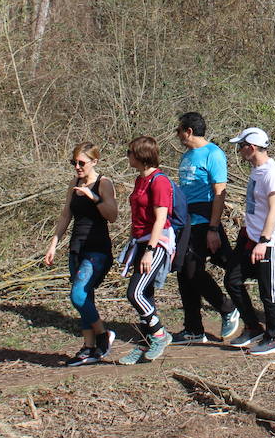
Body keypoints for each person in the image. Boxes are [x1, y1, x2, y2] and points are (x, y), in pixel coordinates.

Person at [44, 142, 118, 366]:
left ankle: (104, 335)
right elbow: (66, 214)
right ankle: (88, 347)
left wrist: (93, 197)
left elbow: (113, 215)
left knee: (78, 295)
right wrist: (54, 243)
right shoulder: (74, 183)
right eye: (73, 162)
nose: (77, 167)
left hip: (97, 249)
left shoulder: (104, 183)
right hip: (77, 247)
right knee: (86, 298)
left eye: (81, 163)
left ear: (94, 162)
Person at [173, 113, 241, 344]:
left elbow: (220, 193)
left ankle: (228, 307)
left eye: (179, 130)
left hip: (204, 220)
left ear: (188, 131)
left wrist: (213, 227)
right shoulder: (187, 156)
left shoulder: (213, 153)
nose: (178, 135)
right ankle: (193, 328)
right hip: (185, 221)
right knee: (184, 272)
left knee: (194, 270)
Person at [118, 136, 181, 365]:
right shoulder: (139, 180)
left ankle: (160, 335)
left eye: (130, 152)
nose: (127, 156)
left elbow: (160, 219)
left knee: (135, 293)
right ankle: (146, 343)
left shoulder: (160, 181)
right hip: (140, 242)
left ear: (141, 155)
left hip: (157, 243)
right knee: (146, 295)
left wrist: (150, 251)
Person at [226, 127, 275, 354]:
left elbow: (274, 209)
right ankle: (253, 328)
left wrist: (264, 240)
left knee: (268, 292)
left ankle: (273, 338)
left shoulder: (272, 173)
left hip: (268, 243)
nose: (239, 151)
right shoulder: (257, 170)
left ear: (251, 148)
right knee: (232, 281)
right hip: (250, 238)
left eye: (240, 147)